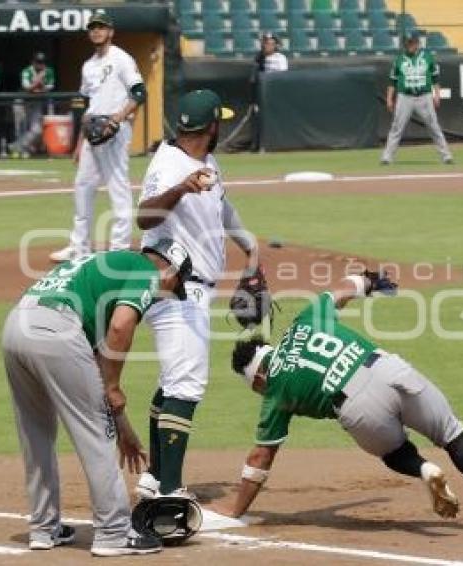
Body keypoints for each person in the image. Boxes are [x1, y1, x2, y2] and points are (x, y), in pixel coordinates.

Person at [215, 271, 463, 534]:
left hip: (358, 410)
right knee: (453, 434)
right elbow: (342, 290)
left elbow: (261, 456)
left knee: (392, 451)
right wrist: (370, 281)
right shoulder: (303, 323)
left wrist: (235, 510)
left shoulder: (275, 392)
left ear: (258, 379)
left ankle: (423, 468)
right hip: (387, 370)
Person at [2, 238, 194, 556]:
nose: (165, 296)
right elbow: (121, 327)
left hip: (16, 327)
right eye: (173, 286)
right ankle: (114, 533)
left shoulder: (107, 264)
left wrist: (121, 425)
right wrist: (114, 388)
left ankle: (43, 528)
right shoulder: (146, 271)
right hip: (57, 330)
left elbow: (91, 366)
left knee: (35, 434)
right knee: (95, 437)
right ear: (170, 269)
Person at [134, 89, 262, 499]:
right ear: (211, 126)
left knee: (173, 379)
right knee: (186, 385)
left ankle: (155, 475)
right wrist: (182, 189)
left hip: (196, 288)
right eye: (219, 121)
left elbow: (223, 209)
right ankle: (170, 490)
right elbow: (144, 215)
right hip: (176, 285)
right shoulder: (169, 163)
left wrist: (251, 247)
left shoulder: (209, 163)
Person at [49, 11, 146, 262]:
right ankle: (79, 246)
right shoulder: (88, 65)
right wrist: (79, 143)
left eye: (101, 27)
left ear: (110, 31)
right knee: (83, 187)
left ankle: (119, 247)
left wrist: (117, 118)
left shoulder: (122, 59)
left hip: (115, 131)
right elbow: (84, 103)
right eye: (93, 27)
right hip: (92, 133)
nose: (97, 31)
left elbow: (139, 93)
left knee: (118, 188)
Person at [380, 31, 453, 166]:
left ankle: (446, 155)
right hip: (405, 96)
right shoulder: (400, 60)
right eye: (407, 43)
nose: (409, 46)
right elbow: (392, 82)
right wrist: (389, 99)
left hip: (424, 96)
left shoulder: (427, 58)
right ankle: (387, 157)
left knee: (433, 126)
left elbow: (435, 79)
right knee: (397, 127)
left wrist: (437, 95)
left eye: (411, 43)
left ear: (417, 43)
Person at [249, 32, 288, 152]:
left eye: (271, 44)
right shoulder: (259, 58)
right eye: (266, 44)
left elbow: (283, 76)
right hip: (262, 95)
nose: (268, 46)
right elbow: (254, 78)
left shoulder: (280, 58)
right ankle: (261, 145)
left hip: (276, 93)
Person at [12, 51, 55, 158]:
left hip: (36, 102)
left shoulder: (49, 71)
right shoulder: (26, 71)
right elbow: (28, 88)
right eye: (38, 62)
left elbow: (48, 88)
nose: (41, 64)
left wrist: (39, 85)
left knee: (37, 130)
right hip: (22, 101)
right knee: (21, 128)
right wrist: (39, 80)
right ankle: (21, 151)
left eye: (43, 62)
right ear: (33, 62)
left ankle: (16, 147)